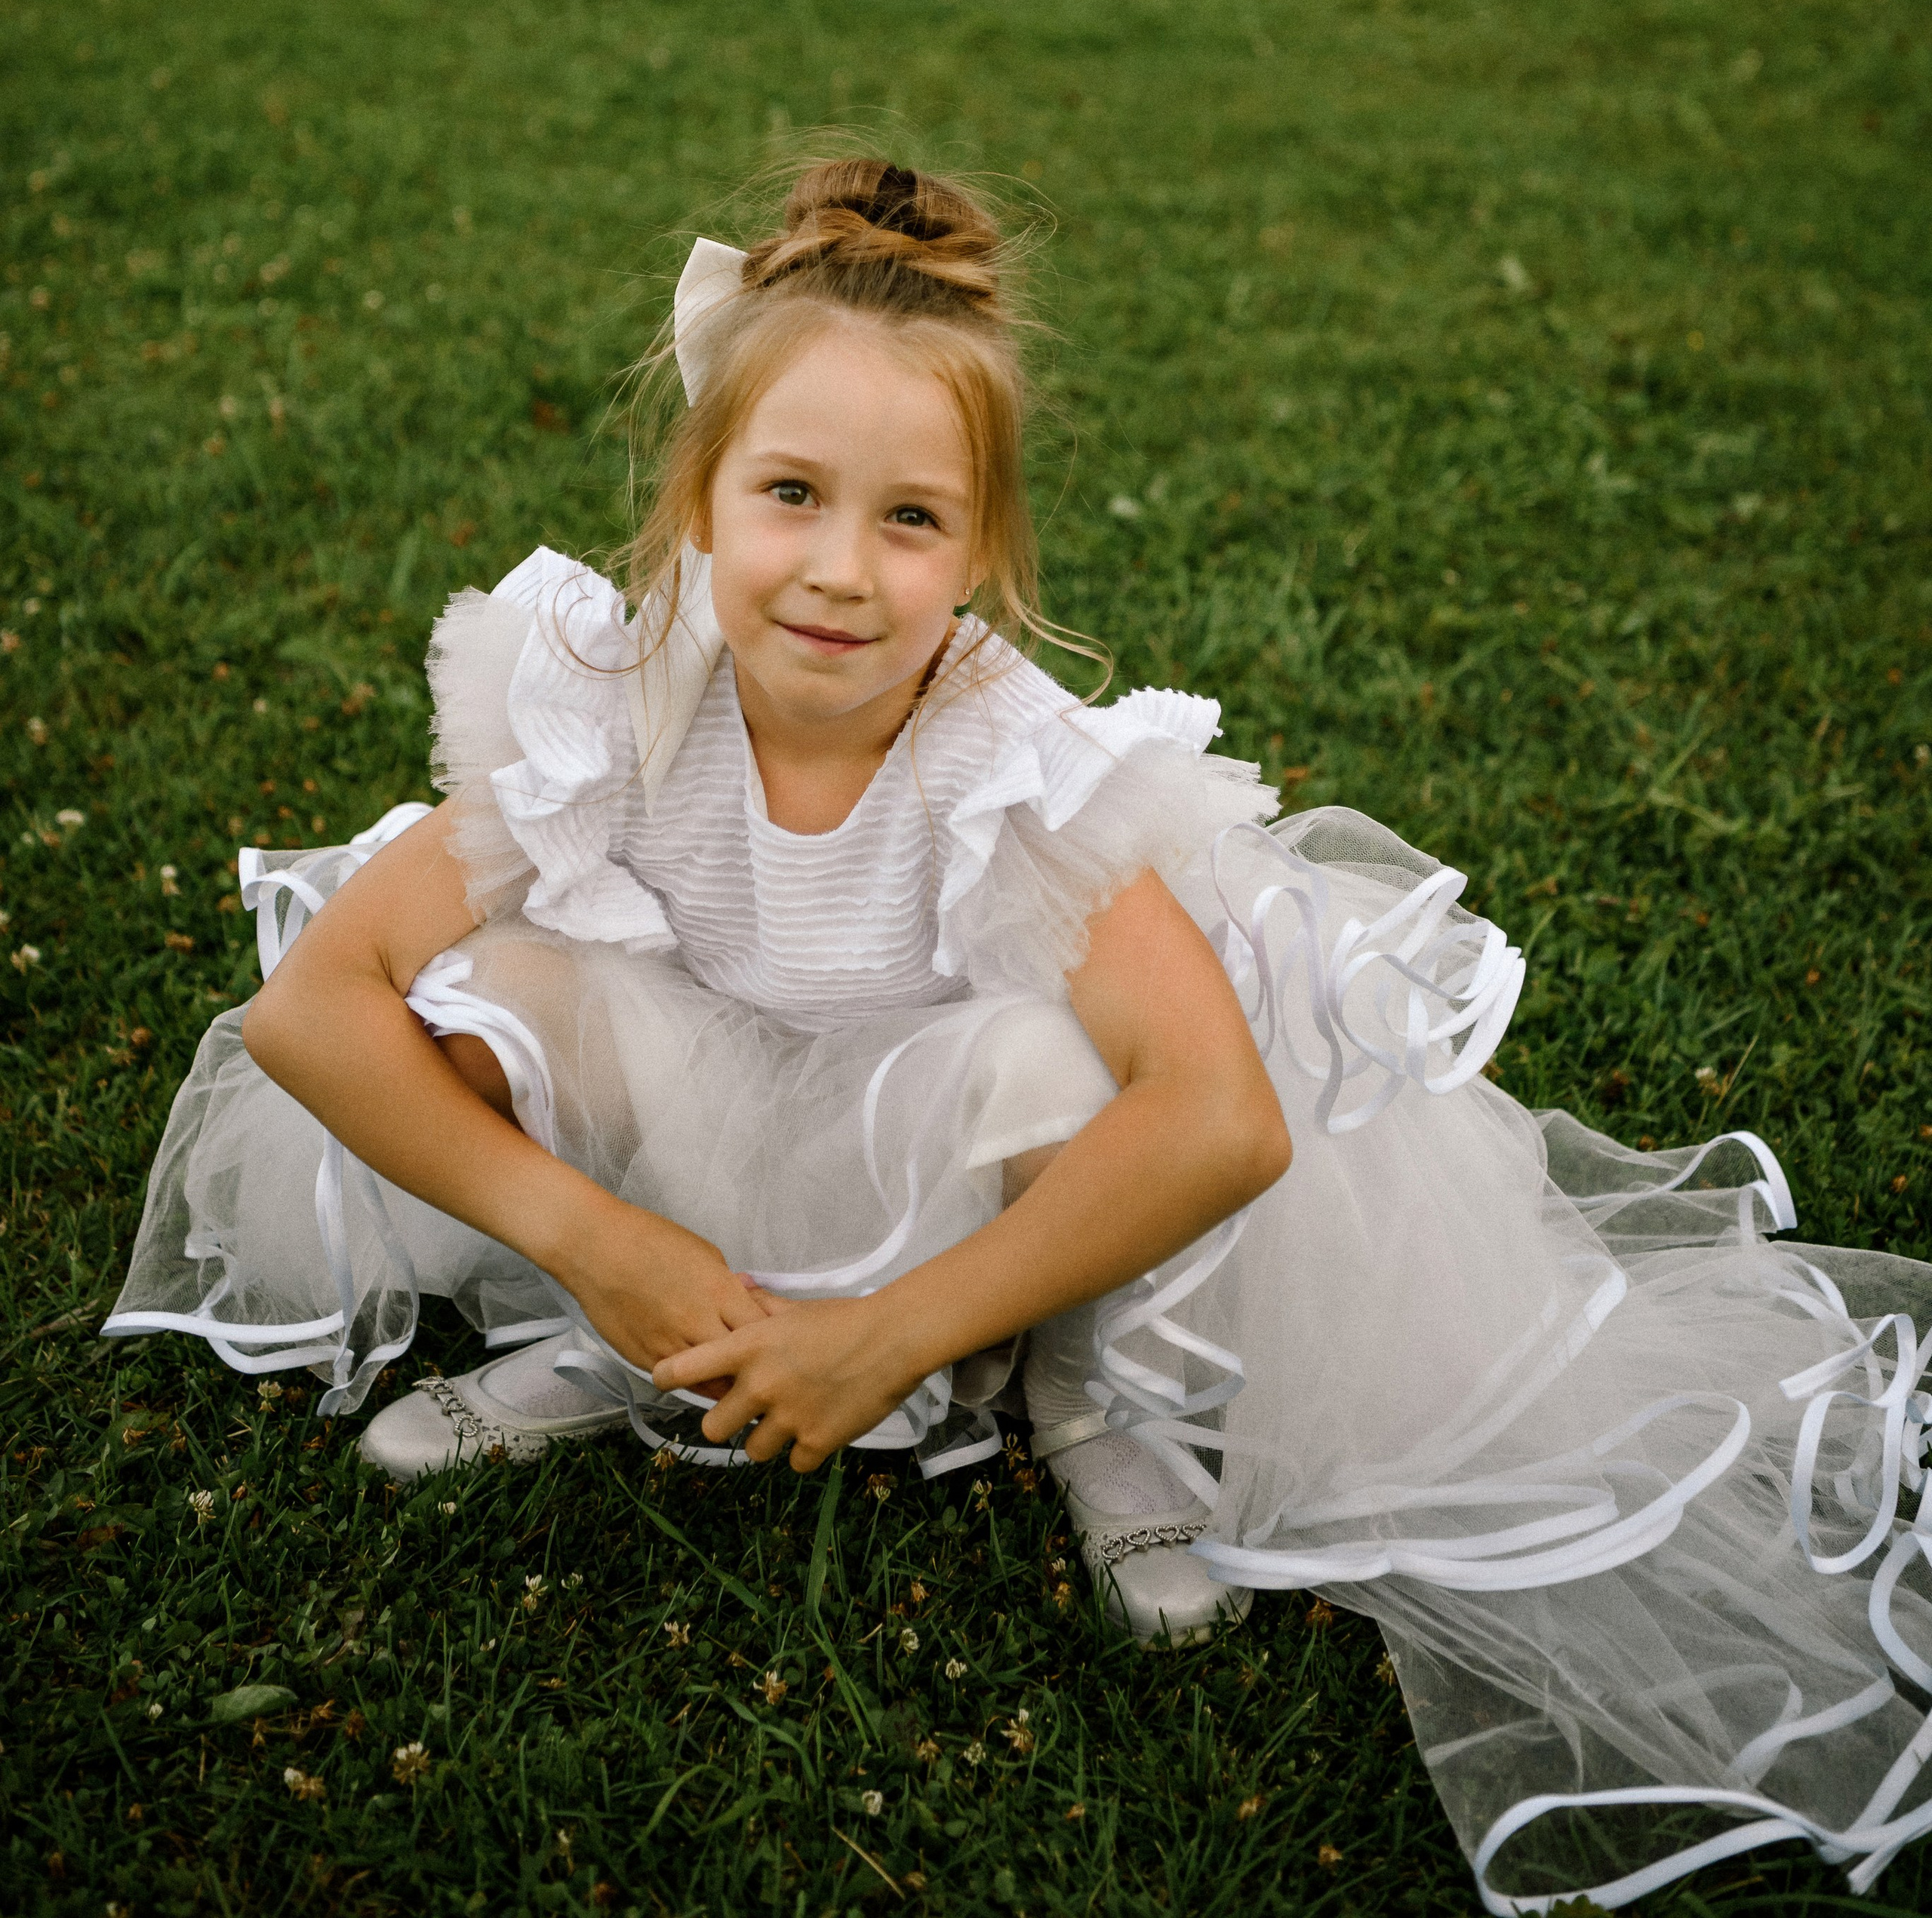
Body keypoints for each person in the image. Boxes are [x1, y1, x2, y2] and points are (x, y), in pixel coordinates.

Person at [109, 156, 1932, 1910]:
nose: (839, 568)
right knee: (502, 980)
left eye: (908, 519)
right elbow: (309, 1011)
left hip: (965, 1167)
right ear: (695, 501)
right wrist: (595, 1240)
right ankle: (638, 1330)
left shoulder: (1012, 768)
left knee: (1070, 1067)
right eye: (789, 494)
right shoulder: (604, 706)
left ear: (979, 551)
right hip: (688, 1129)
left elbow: (1219, 1120)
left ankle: (1083, 1382)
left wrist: (890, 1334)